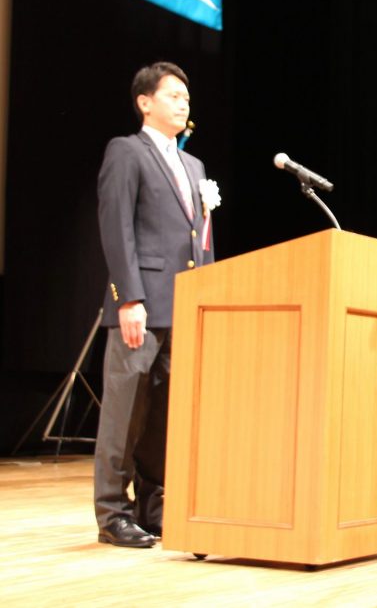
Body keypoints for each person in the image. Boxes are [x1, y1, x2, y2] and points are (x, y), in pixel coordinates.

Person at [94, 62, 215, 548]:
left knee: (165, 415)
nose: (184, 103)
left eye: (187, 97)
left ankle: (155, 505)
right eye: (173, 95)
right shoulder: (127, 151)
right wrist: (129, 298)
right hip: (142, 306)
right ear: (145, 102)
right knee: (125, 412)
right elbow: (116, 227)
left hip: (184, 307)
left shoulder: (193, 166)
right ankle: (112, 513)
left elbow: (199, 240)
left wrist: (207, 298)